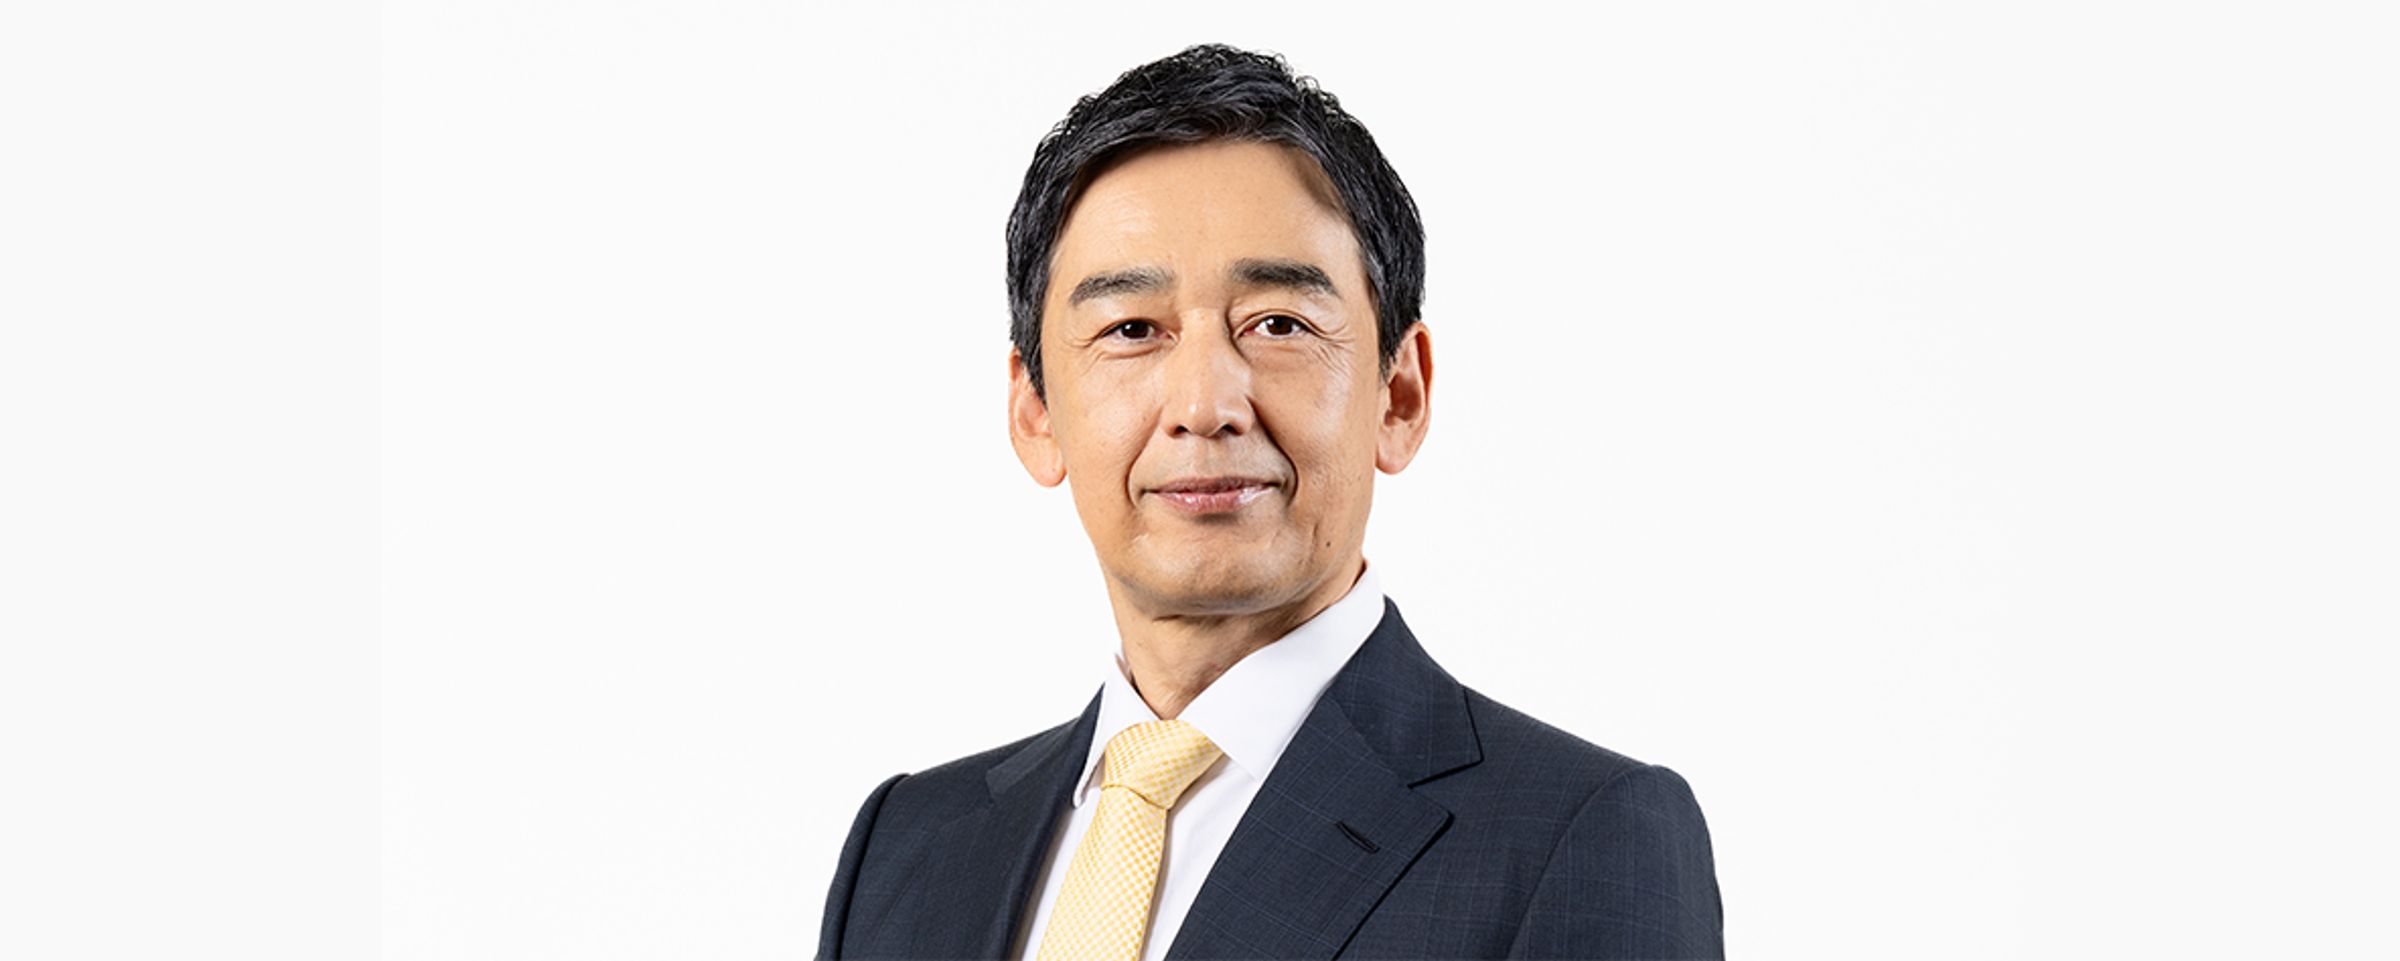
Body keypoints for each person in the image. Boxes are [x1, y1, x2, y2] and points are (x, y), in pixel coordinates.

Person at [817, 44, 1723, 960]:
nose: (1205, 404)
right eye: (1131, 329)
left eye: (1278, 324)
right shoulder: (908, 848)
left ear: (1399, 395)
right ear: (1034, 412)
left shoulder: (1583, 838)